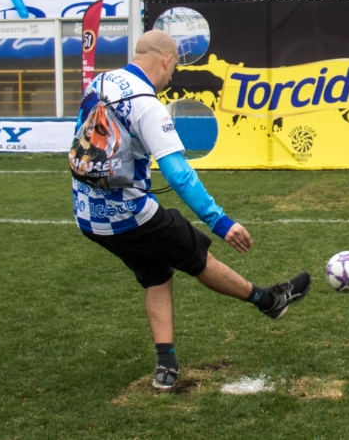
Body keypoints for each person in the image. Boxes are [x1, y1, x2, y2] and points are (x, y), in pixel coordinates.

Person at [73, 30, 310, 389]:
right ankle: (268, 300)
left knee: (157, 273)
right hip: (130, 216)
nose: (171, 78)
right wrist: (221, 222)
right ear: (166, 60)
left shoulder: (101, 81)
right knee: (197, 255)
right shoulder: (147, 104)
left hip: (89, 217)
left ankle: (166, 365)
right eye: (173, 69)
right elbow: (179, 174)